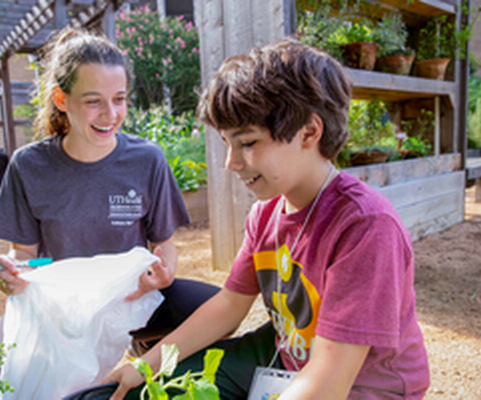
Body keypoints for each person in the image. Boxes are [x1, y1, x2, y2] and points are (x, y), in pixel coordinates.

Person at [105, 38, 430, 399]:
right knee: (150, 391)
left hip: (362, 386)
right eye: (228, 143)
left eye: (248, 142)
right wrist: (147, 365)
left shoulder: (364, 226)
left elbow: (330, 375)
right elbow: (229, 305)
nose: (231, 162)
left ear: (309, 132)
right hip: (284, 355)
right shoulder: (266, 213)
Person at [0, 28, 219, 368]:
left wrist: (163, 275)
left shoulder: (147, 158)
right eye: (93, 101)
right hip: (59, 306)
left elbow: (164, 244)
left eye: (119, 99)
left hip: (132, 297)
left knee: (217, 313)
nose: (110, 115)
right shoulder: (28, 165)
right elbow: (23, 253)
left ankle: (142, 354)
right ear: (62, 100)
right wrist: (14, 275)